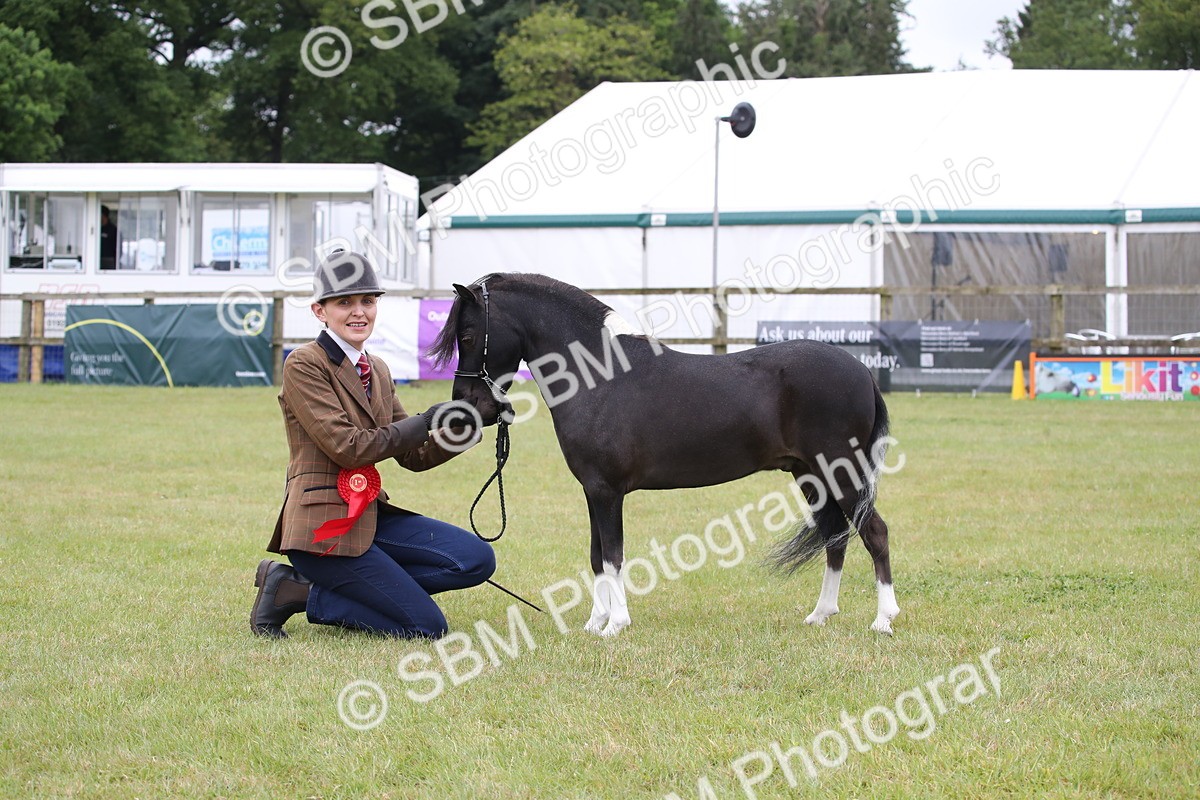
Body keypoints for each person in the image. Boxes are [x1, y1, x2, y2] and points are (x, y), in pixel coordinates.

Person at [250, 250, 495, 639]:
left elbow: (413, 455)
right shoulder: (304, 364)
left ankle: (349, 589)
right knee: (426, 626)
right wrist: (427, 419)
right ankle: (300, 592)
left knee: (476, 560)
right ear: (319, 311)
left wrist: (467, 422)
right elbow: (349, 448)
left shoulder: (377, 369)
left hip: (368, 516)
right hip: (322, 531)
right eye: (344, 302)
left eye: (367, 301)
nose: (358, 312)